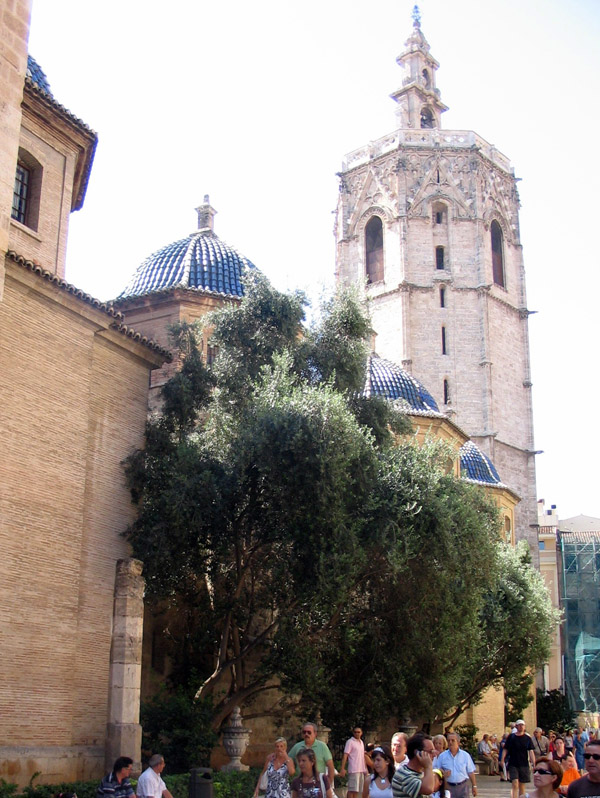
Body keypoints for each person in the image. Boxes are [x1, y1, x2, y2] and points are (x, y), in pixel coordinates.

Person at [289, 723, 335, 788]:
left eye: (309, 732)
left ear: (315, 734)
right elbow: (288, 760)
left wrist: (329, 783)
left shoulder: (322, 746)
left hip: (318, 783)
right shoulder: (297, 747)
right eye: (304, 732)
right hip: (301, 784)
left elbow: (330, 766)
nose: (306, 734)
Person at [391, 732, 436, 798]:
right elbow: (428, 789)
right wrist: (428, 766)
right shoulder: (404, 775)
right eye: (430, 751)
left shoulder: (420, 773)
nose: (434, 755)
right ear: (417, 753)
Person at [436, 732, 477, 798]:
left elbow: (471, 772)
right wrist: (443, 774)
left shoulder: (465, 755)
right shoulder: (442, 756)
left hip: (462, 786)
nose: (450, 742)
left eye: (453, 740)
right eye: (448, 740)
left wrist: (474, 786)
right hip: (448, 787)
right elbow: (437, 771)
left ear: (458, 742)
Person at [501, 720, 535, 798]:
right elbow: (505, 749)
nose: (521, 727)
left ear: (524, 727)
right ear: (516, 726)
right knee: (515, 783)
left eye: (522, 725)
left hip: (524, 764)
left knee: (522, 785)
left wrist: (534, 763)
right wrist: (502, 759)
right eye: (519, 725)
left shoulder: (527, 738)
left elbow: (531, 751)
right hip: (513, 763)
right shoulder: (512, 737)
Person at [341, 727, 368, 798]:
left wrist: (365, 769)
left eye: (358, 732)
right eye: (355, 732)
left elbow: (362, 757)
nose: (357, 733)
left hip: (361, 769)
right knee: (352, 790)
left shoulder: (361, 742)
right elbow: (345, 755)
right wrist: (342, 768)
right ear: (353, 733)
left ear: (361, 733)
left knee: (357, 790)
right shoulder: (350, 742)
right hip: (354, 769)